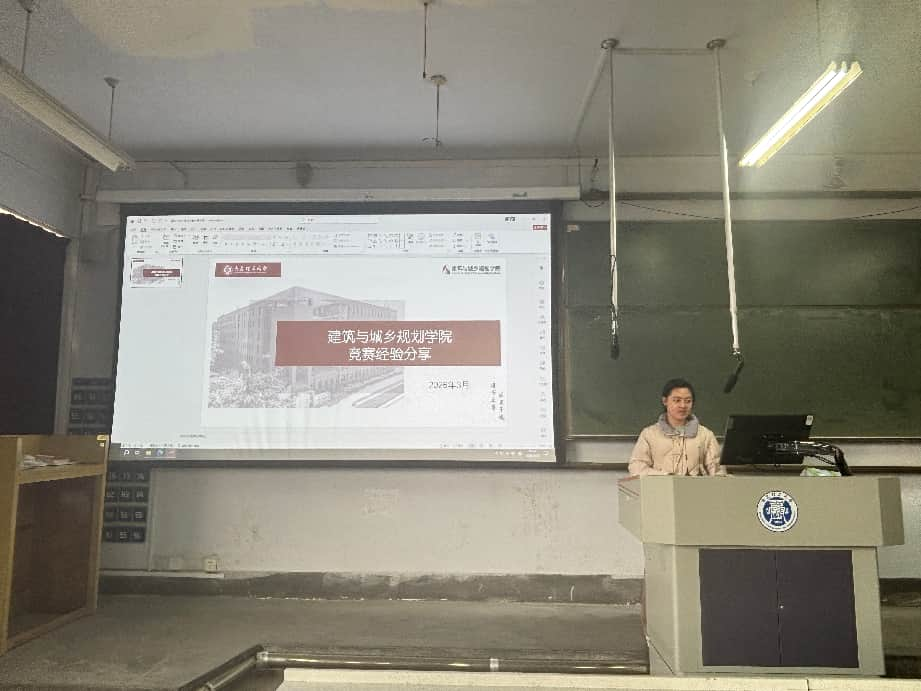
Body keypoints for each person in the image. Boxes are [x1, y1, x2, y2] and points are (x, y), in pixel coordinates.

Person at [628, 378, 722, 477]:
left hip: (696, 486)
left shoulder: (705, 435)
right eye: (677, 400)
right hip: (661, 486)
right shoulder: (649, 434)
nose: (683, 405)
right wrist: (666, 476)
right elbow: (636, 467)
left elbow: (717, 471)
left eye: (688, 401)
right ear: (665, 401)